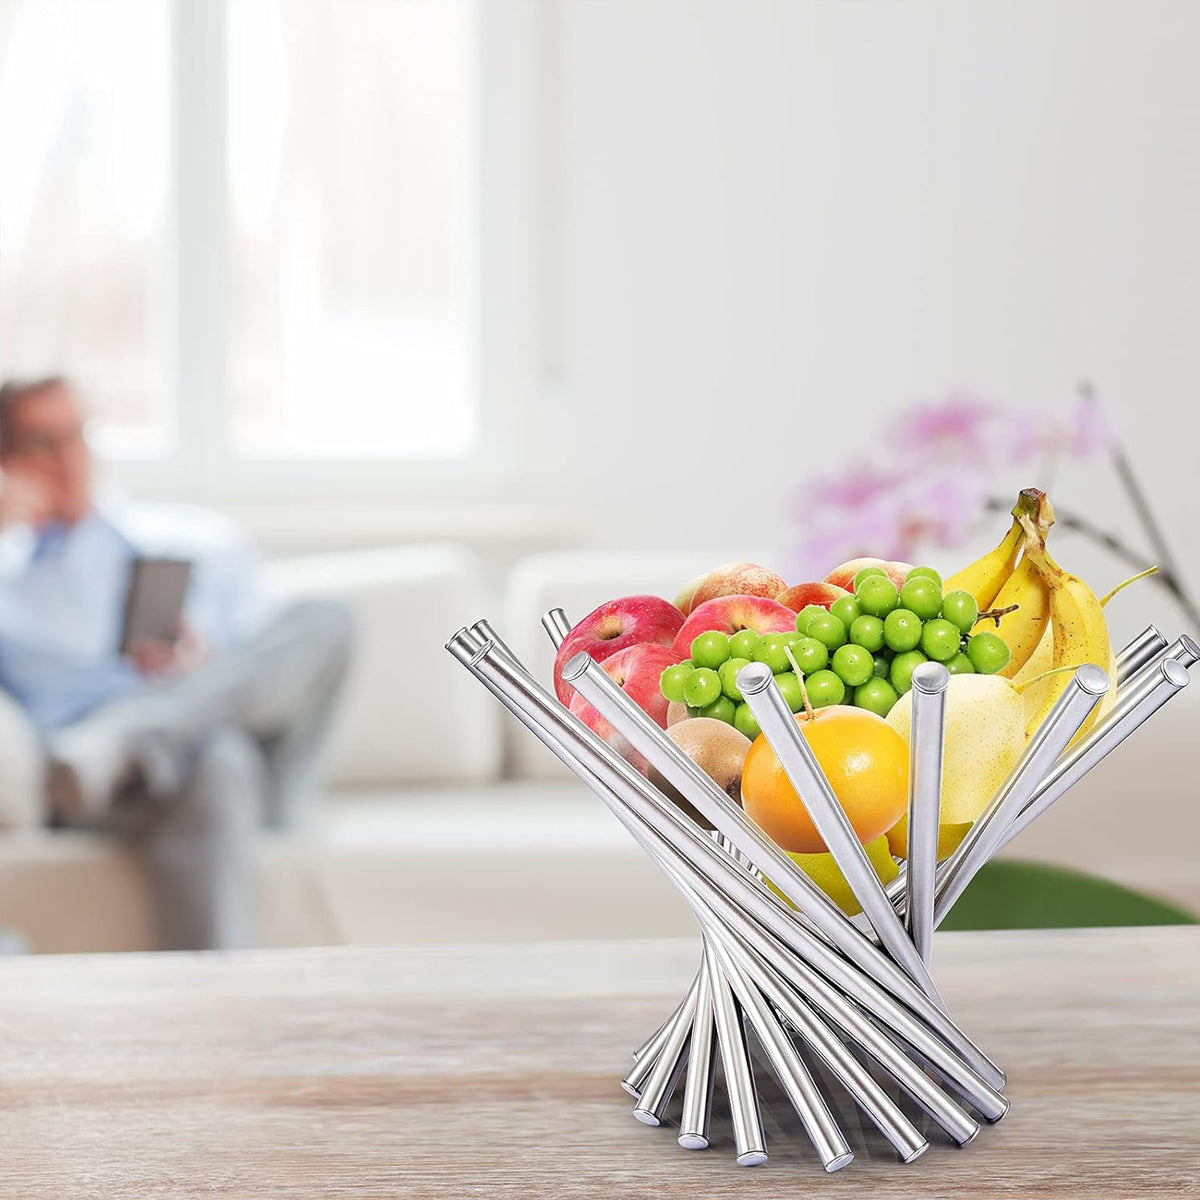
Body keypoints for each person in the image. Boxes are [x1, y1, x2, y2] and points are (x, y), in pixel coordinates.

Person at [0, 376, 353, 950]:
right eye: (44, 442)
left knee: (328, 619)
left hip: (191, 722)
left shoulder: (188, 540)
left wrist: (203, 658)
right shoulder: (8, 573)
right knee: (219, 761)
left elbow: (264, 667)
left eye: (78, 436)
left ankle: (129, 740)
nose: (69, 459)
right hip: (85, 784)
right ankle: (220, 998)